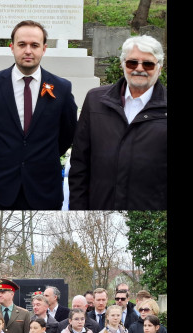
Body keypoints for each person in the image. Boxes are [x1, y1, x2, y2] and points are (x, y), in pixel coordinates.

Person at [0, 20, 77, 210]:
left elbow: (67, 133)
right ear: (12, 47)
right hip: (1, 191)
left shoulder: (62, 88)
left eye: (35, 45)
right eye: (22, 44)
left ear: (44, 49)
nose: (28, 51)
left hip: (45, 191)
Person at [69, 34, 167, 210]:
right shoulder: (95, 100)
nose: (139, 69)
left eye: (148, 64)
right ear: (122, 64)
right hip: (99, 206)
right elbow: (79, 164)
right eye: (132, 63)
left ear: (160, 67)